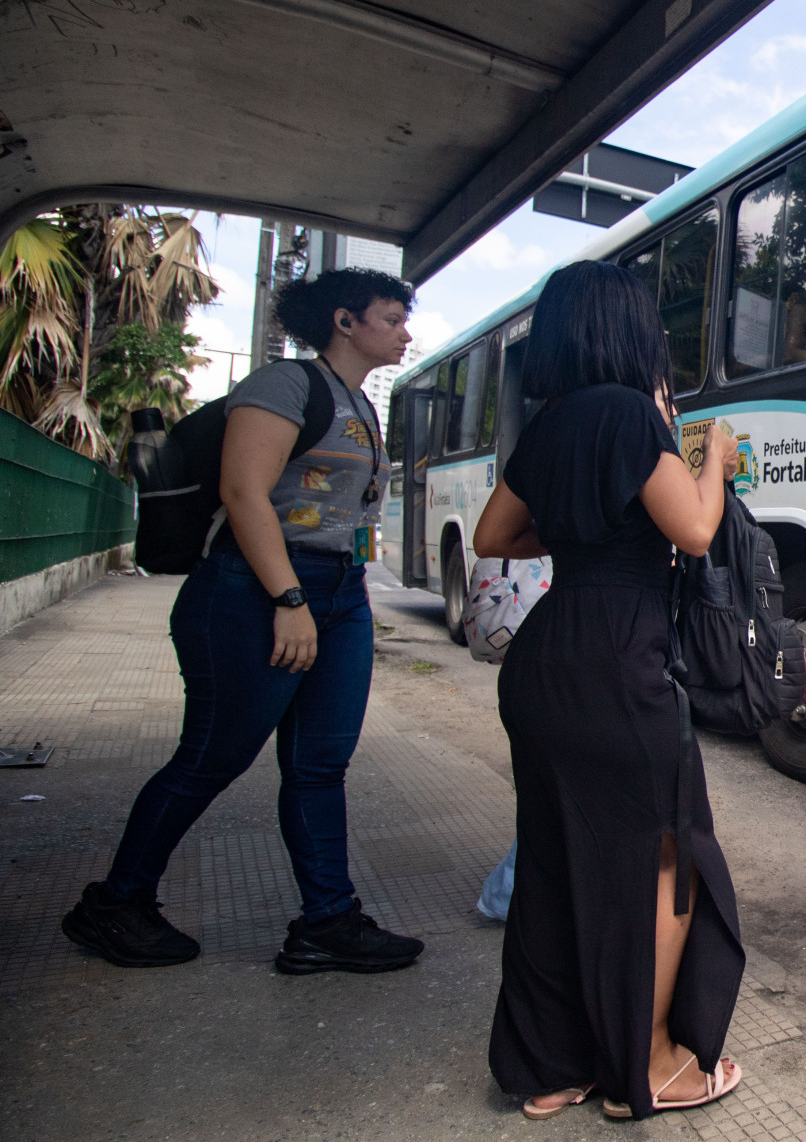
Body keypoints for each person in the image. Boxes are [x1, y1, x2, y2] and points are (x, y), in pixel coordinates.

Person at [63, 269, 424, 975]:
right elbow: (243, 490)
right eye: (392, 317)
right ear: (345, 321)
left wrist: (338, 594)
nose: (406, 332)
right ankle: (115, 902)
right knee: (211, 757)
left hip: (338, 594)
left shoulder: (362, 405)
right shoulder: (285, 385)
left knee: (320, 765)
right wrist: (289, 601)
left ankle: (327, 921)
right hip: (252, 590)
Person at [472, 260, 745, 1121]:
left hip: (547, 659)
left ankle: (553, 1067)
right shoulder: (632, 414)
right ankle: (653, 1063)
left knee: (555, 859)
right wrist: (718, 459)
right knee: (670, 858)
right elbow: (695, 531)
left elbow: (492, 533)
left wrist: (579, 531)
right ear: (629, 330)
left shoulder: (550, 424)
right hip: (621, 663)